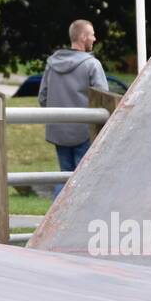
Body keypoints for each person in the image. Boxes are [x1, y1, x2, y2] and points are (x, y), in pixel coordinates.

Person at [39, 19, 108, 197]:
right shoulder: (92, 65)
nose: (94, 38)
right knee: (82, 179)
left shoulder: (51, 64)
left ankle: (53, 220)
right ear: (83, 37)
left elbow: (43, 97)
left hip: (58, 130)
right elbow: (104, 100)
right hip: (85, 131)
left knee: (65, 177)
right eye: (92, 34)